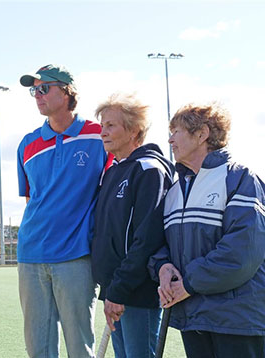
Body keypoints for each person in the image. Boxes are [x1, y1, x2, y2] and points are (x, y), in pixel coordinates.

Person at [148, 103, 265, 358]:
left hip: (236, 320)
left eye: (175, 131)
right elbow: (161, 244)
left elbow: (242, 253)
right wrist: (163, 267)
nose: (170, 139)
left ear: (201, 134)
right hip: (193, 317)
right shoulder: (175, 190)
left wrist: (188, 284)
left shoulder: (240, 178)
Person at [16, 64, 112, 358]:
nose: (37, 95)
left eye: (44, 88)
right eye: (34, 90)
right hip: (30, 256)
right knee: (39, 349)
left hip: (76, 256)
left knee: (80, 347)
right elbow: (33, 199)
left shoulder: (99, 136)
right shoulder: (27, 144)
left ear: (67, 92)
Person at [91, 94, 174, 358]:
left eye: (111, 125)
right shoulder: (113, 170)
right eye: (102, 125)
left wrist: (120, 289)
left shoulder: (149, 170)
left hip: (136, 292)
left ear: (134, 130)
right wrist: (110, 289)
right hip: (116, 290)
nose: (102, 132)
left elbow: (147, 239)